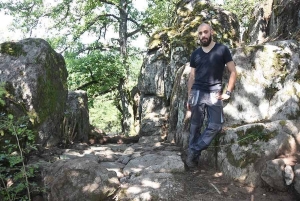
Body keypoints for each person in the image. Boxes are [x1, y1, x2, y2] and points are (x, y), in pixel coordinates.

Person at [186, 23, 237, 168]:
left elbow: (233, 71)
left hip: (215, 93)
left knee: (216, 125)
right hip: (197, 92)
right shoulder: (195, 54)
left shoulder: (222, 49)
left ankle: (193, 150)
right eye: (200, 33)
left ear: (211, 32)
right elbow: (191, 77)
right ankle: (192, 161)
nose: (203, 35)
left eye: (205, 32)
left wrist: (228, 92)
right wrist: (189, 97)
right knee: (195, 126)